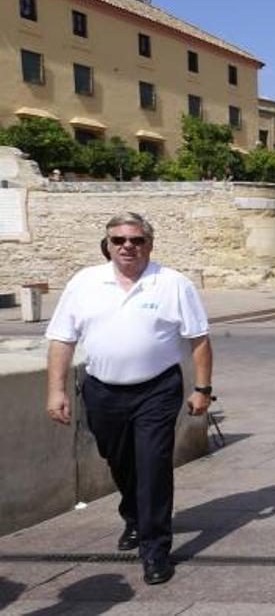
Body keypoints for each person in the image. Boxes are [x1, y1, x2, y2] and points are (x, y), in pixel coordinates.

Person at [45, 212, 213, 586]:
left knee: (153, 465)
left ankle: (155, 549)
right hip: (102, 390)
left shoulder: (173, 284)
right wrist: (56, 390)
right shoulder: (84, 282)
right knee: (118, 459)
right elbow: (62, 339)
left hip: (157, 389)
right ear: (107, 244)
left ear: (149, 245)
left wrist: (202, 389)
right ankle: (134, 516)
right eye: (119, 240)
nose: (127, 247)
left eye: (136, 240)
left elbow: (199, 339)